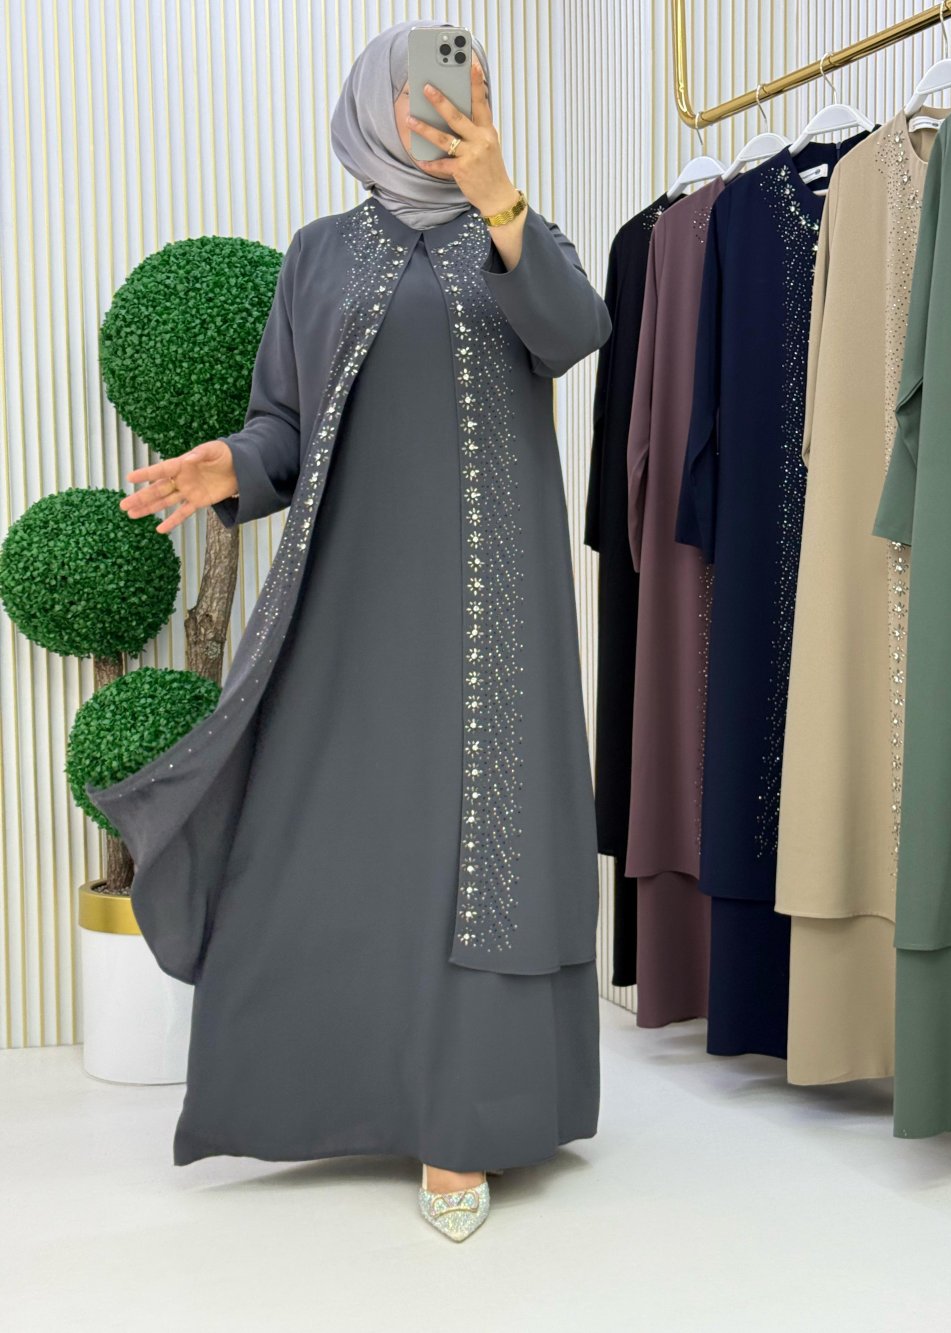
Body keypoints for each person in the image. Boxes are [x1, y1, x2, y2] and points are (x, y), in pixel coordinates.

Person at [93, 18, 611, 1243]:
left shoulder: (517, 234)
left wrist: (500, 199)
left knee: (480, 846)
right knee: (332, 834)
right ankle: (326, 1087)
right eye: (429, 92)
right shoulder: (319, 254)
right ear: (377, 105)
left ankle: (464, 1115)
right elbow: (284, 423)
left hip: (493, 607)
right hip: (349, 599)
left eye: (472, 90)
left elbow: (574, 332)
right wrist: (230, 464)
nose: (451, 109)